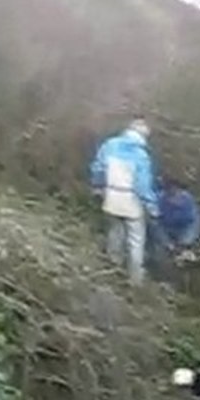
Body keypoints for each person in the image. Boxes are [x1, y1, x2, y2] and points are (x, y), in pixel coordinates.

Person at [89, 118, 159, 285]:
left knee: (114, 232)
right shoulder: (141, 155)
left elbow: (98, 168)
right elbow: (142, 185)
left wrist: (98, 186)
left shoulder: (109, 145)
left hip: (111, 197)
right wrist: (151, 206)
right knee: (136, 240)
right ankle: (135, 279)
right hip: (131, 201)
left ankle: (113, 267)